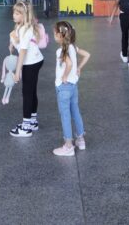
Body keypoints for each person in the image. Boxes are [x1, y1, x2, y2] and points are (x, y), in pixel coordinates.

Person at [51, 21, 90, 157]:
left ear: (60, 35)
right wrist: (79, 68)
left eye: (55, 33)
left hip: (64, 88)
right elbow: (87, 55)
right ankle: (81, 139)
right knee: (75, 112)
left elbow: (68, 63)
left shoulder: (61, 50)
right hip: (73, 87)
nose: (54, 35)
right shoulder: (73, 47)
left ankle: (68, 146)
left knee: (65, 116)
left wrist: (65, 76)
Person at [9, 0, 45, 137]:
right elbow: (19, 44)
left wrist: (18, 72)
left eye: (18, 14)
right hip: (36, 60)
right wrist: (12, 41)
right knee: (31, 91)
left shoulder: (25, 29)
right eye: (14, 12)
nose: (14, 16)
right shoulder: (21, 26)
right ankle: (32, 121)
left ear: (25, 15)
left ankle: (26, 127)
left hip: (30, 63)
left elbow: (22, 52)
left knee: (27, 93)